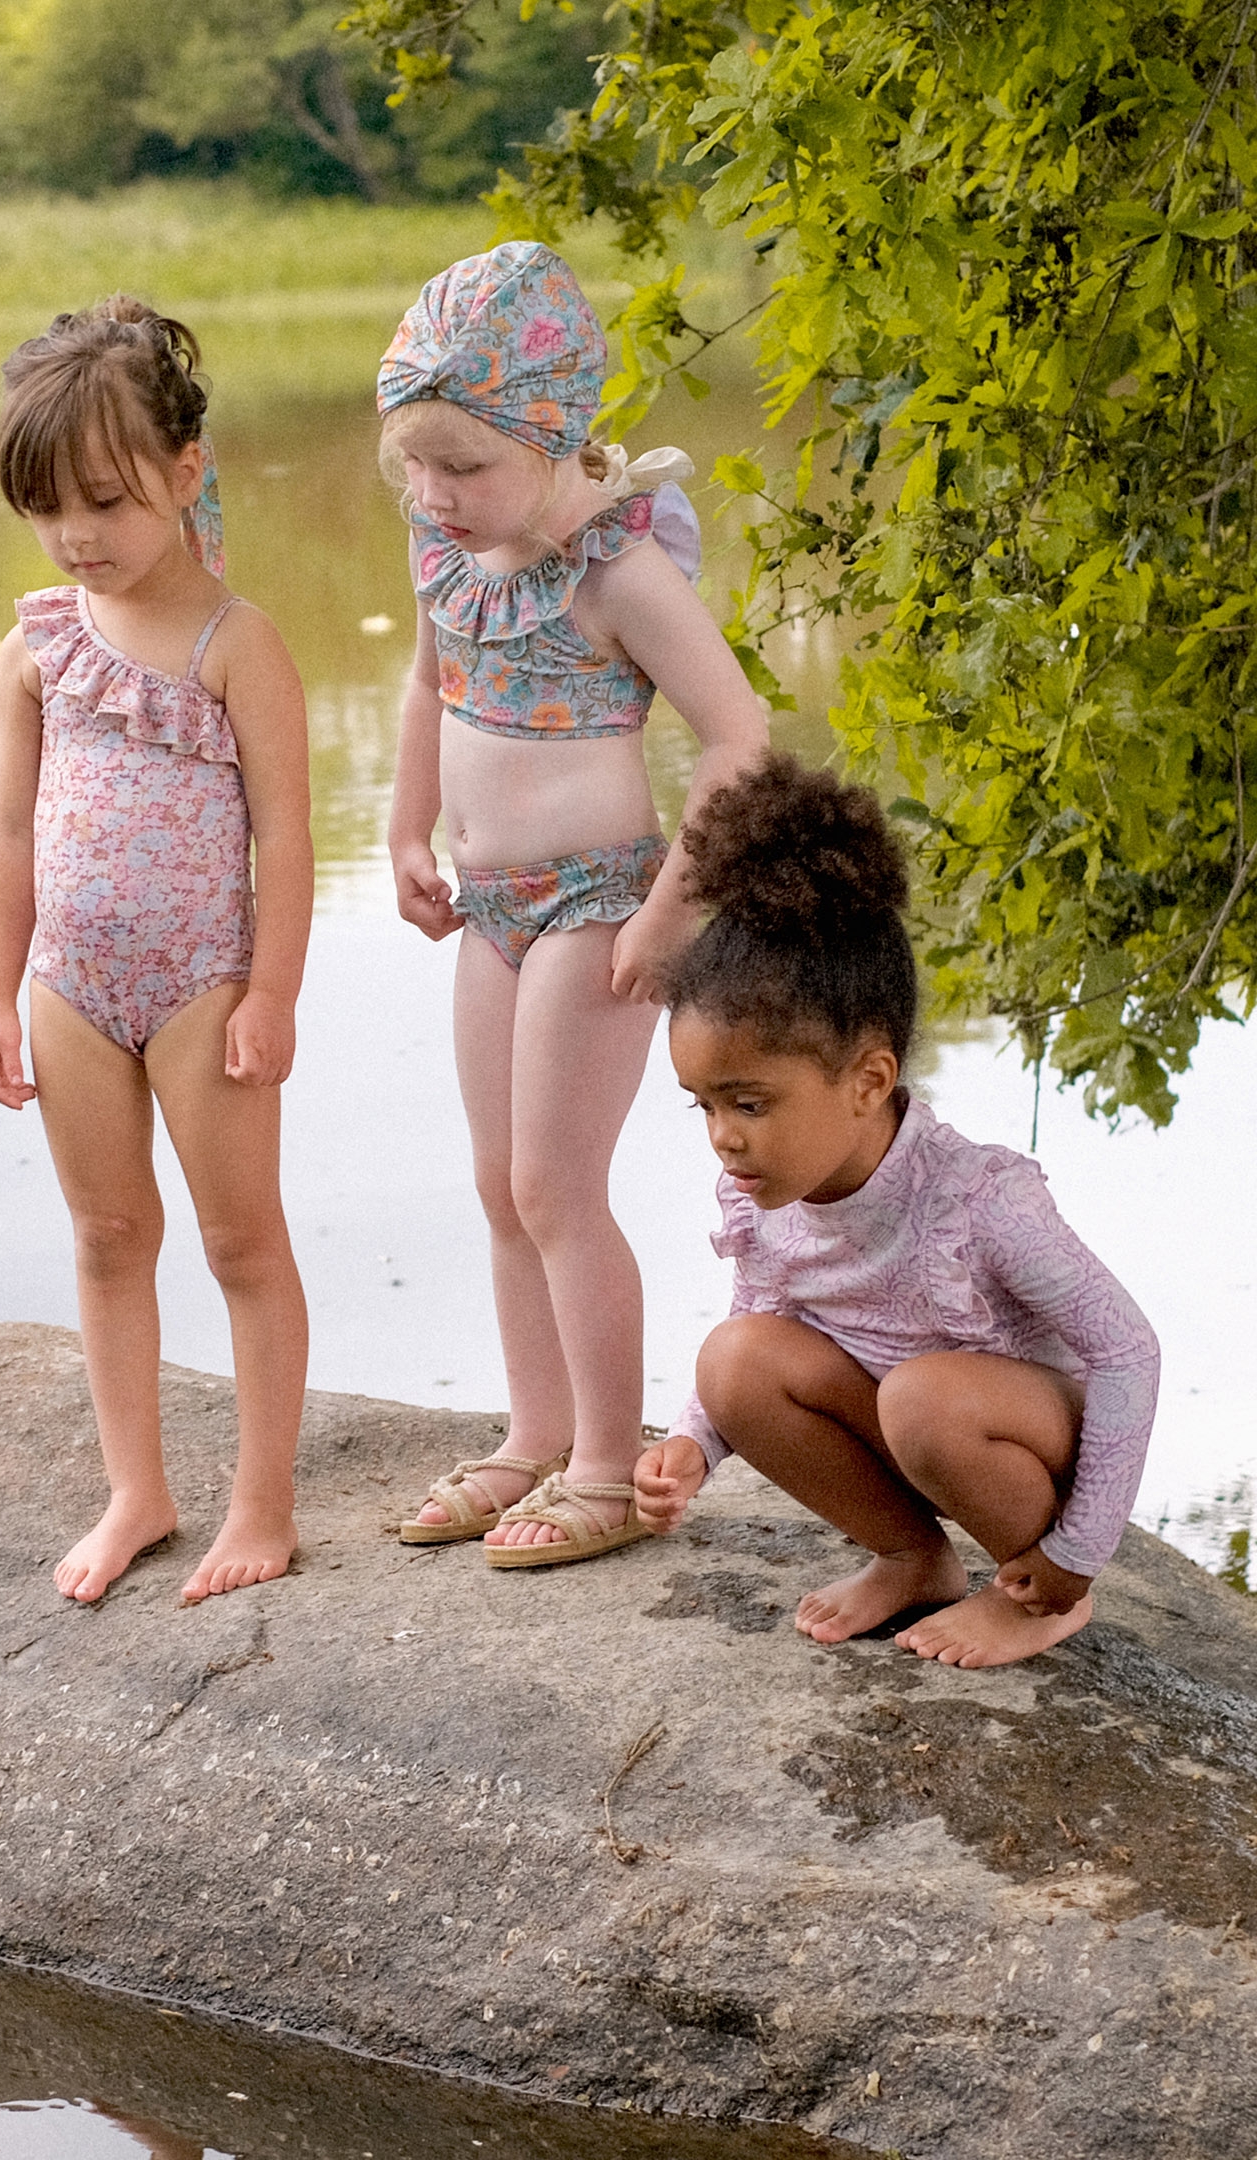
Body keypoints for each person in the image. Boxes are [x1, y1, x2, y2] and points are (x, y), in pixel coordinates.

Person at [377, 242, 769, 1566]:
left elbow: (739, 736)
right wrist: (401, 828)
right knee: (499, 1185)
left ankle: (607, 1463)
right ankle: (530, 1435)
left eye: (468, 467)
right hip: (487, 900)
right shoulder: (445, 553)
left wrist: (670, 910)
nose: (437, 494)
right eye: (418, 465)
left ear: (555, 439)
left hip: (599, 901)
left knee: (557, 1182)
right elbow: (431, 691)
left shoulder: (617, 573)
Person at [634, 754, 1161, 1667]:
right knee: (735, 1362)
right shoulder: (765, 1196)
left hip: (1019, 1442)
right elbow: (763, 1318)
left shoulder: (978, 1201)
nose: (722, 1136)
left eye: (749, 1103)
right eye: (703, 1105)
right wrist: (693, 1444)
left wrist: (1081, 1547)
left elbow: (1128, 1351)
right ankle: (913, 1557)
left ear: (870, 1080)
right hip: (911, 1425)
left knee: (925, 1399)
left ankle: (1034, 1593)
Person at [0, 297, 313, 1607]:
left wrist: (271, 993)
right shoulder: (40, 647)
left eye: (107, 503)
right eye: (50, 507)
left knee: (241, 1242)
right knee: (109, 1233)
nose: (78, 537)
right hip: (70, 981)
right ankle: (139, 1490)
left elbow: (286, 839)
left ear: (185, 475)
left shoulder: (242, 646)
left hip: (202, 983)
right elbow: (8, 834)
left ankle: (262, 1503)